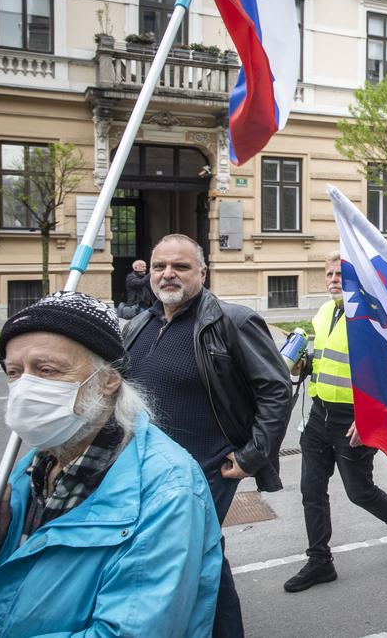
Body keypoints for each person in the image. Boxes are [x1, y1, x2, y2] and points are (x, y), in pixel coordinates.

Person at [0, 291, 221, 636]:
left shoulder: (165, 490)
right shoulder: (29, 470)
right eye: (15, 372)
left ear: (108, 379)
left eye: (47, 370)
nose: (26, 387)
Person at [123, 234, 292, 638]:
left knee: (192, 554)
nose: (168, 274)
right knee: (197, 555)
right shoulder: (139, 325)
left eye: (180, 266)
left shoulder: (230, 321)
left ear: (202, 272)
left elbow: (276, 389)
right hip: (145, 469)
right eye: (161, 265)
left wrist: (251, 456)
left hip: (205, 469)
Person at [284, 251, 387, 594]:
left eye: (339, 274)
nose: (332, 279)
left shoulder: (370, 319)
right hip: (319, 413)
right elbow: (320, 360)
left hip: (353, 420)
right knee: (311, 491)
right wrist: (302, 366)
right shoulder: (324, 312)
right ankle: (320, 561)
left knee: (359, 492)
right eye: (328, 274)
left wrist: (369, 418)